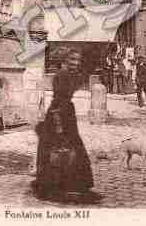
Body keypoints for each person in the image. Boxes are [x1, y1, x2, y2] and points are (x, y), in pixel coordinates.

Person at [33, 48, 102, 204]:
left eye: (78, 60)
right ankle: (60, 187)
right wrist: (58, 126)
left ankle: (75, 186)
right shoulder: (61, 75)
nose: (76, 63)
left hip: (66, 113)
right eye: (72, 60)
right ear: (64, 60)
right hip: (59, 114)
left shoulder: (69, 75)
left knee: (73, 149)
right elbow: (58, 101)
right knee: (61, 150)